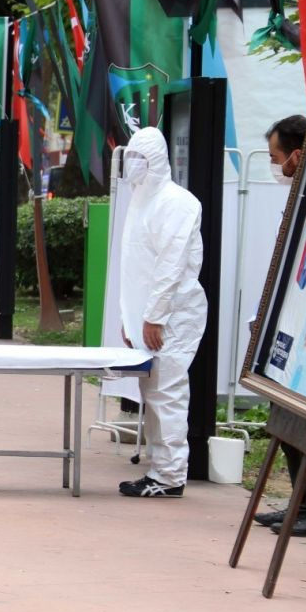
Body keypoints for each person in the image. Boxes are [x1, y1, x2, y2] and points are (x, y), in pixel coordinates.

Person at [117, 126, 207, 498]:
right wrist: (130, 317)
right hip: (148, 320)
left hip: (173, 317)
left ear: (157, 162)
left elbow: (170, 265)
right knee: (152, 394)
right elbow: (135, 265)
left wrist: (154, 315)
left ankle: (170, 477)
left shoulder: (178, 202)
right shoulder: (140, 200)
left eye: (141, 159)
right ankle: (159, 471)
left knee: (167, 395)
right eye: (130, 158)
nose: (134, 166)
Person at [256, 115, 306, 534]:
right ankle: (298, 502)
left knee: (304, 418)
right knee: (283, 412)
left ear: (298, 153)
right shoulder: (299, 197)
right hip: (290, 329)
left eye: (279, 158)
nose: (279, 168)